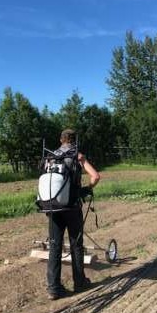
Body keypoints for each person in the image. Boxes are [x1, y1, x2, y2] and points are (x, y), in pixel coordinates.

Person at [46, 129, 100, 300]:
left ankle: (54, 288)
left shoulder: (50, 156)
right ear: (74, 141)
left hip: (52, 206)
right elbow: (96, 176)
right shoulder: (78, 155)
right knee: (76, 244)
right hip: (72, 206)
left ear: (61, 140)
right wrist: (86, 189)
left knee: (55, 245)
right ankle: (79, 282)